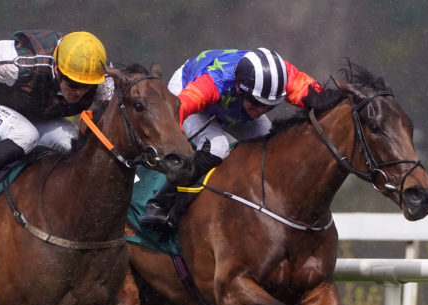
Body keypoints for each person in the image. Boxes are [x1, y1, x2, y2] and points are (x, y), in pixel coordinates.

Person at [0, 30, 112, 233]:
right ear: (57, 69)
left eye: (87, 87)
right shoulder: (20, 61)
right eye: (72, 83)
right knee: (26, 135)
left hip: (35, 117)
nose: (79, 92)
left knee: (74, 143)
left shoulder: (101, 78)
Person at [139, 47, 333, 230]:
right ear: (240, 88)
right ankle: (161, 202)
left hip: (231, 105)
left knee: (270, 143)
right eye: (256, 103)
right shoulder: (214, 82)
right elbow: (177, 111)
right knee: (217, 147)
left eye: (269, 106)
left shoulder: (282, 78)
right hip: (185, 90)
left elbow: (321, 97)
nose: (261, 111)